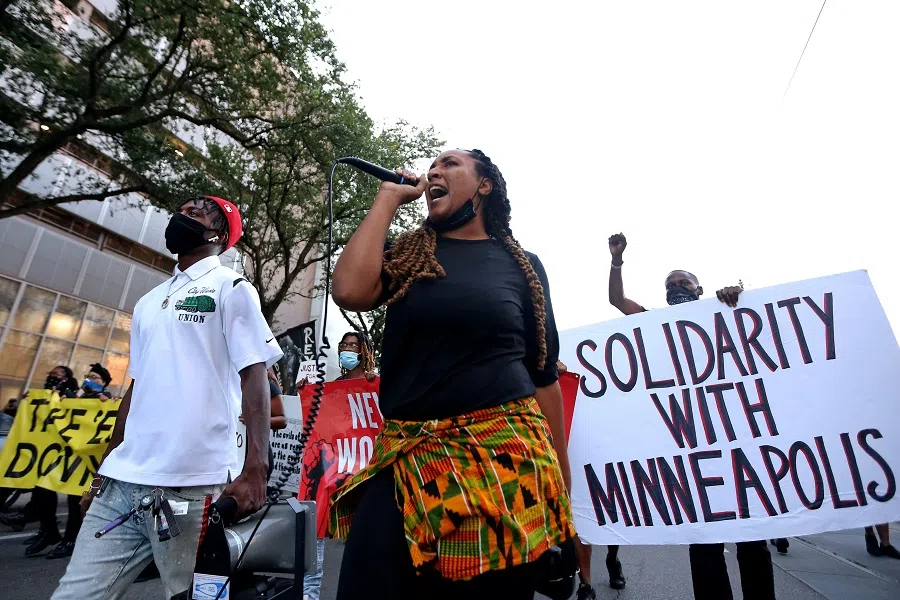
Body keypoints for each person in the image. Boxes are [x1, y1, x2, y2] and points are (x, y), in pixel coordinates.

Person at [329, 149, 575, 599]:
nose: (433, 171)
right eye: (432, 166)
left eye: (450, 163)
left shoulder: (522, 266)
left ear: (485, 186)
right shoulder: (407, 254)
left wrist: (563, 499)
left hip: (506, 463)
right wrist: (386, 198)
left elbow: (543, 378)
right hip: (406, 455)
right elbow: (348, 290)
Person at [49, 195, 282, 600]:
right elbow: (136, 387)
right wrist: (105, 468)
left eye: (195, 214)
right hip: (123, 485)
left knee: (193, 595)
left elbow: (254, 373)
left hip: (192, 487)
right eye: (181, 211)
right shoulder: (148, 302)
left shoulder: (232, 288)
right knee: (75, 594)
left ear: (218, 234)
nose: (181, 217)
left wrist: (255, 468)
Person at [607, 232, 774, 600]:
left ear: (700, 290)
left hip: (736, 444)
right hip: (694, 449)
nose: (675, 288)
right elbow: (617, 300)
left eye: (683, 283)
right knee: (704, 544)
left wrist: (736, 297)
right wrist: (617, 261)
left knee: (752, 542)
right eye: (670, 285)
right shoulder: (656, 324)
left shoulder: (723, 313)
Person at [555, 361, 625, 599]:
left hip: (606, 449)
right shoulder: (559, 361)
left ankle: (612, 558)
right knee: (582, 520)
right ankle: (586, 584)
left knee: (609, 517)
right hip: (577, 446)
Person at [31, 364, 114, 559]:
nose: (89, 379)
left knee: (74, 499)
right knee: (42, 488)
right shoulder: (74, 399)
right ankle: (49, 530)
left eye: (95, 377)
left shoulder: (108, 400)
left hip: (85, 459)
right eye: (88, 375)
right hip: (66, 455)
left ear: (104, 383)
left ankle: (70, 539)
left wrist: (107, 402)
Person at [0, 366, 80, 535]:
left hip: (51, 452)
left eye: (56, 375)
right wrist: (26, 405)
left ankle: (44, 527)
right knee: (35, 486)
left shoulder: (69, 397)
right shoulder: (40, 396)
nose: (51, 377)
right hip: (32, 451)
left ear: (66, 379)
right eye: (50, 374)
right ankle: (44, 528)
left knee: (43, 488)